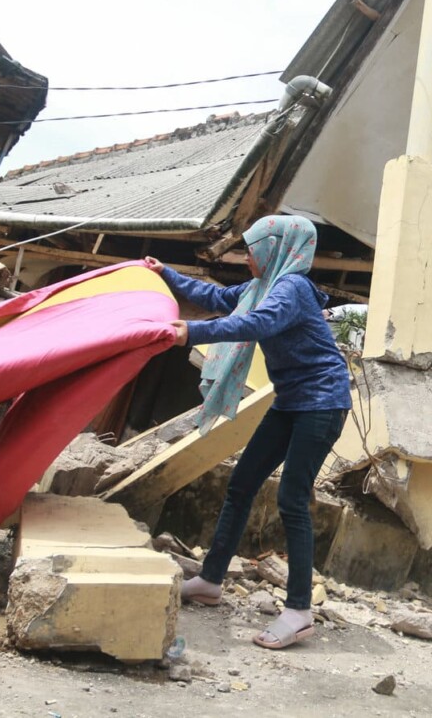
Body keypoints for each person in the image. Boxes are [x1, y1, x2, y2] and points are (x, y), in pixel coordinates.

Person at [143, 215, 351, 650]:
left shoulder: (289, 288)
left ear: (277, 248)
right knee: (241, 484)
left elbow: (258, 324)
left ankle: (298, 612)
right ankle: (211, 580)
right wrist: (167, 274)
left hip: (323, 402)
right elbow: (218, 296)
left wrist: (191, 333)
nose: (248, 255)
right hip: (291, 400)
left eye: (254, 247)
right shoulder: (260, 285)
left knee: (292, 498)